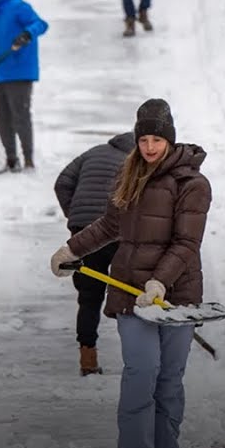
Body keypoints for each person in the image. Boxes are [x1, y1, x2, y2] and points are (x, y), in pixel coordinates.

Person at [48, 99, 210, 448]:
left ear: (169, 139)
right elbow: (108, 225)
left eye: (157, 139)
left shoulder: (193, 184)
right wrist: (71, 249)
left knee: (169, 381)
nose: (150, 147)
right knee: (141, 372)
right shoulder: (129, 175)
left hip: (176, 299)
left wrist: (161, 282)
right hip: (130, 292)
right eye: (144, 140)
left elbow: (187, 243)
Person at [55, 132, 136, 376]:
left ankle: (87, 357)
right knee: (129, 291)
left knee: (89, 295)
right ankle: (137, 357)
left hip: (84, 231)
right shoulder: (135, 162)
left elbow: (62, 183)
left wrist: (76, 218)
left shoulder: (93, 152)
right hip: (117, 230)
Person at [0, 0, 49, 173]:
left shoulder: (18, 7)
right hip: (2, 71)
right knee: (2, 116)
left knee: (20, 116)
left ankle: (28, 160)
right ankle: (11, 159)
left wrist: (27, 35)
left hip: (20, 71)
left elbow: (41, 24)